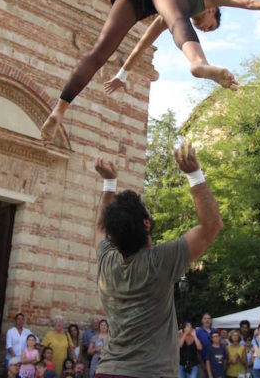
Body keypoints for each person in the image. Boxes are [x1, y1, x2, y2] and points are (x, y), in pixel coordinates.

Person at [39, 0, 260, 140]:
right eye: (210, 27)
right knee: (179, 22)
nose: (206, 29)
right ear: (212, 11)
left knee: (99, 52)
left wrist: (122, 74)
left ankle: (59, 110)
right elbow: (248, 2)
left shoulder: (167, 11)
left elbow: (141, 44)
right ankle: (199, 64)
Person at [92, 140, 223, 378]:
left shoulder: (107, 261)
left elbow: (100, 228)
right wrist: (194, 174)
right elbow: (212, 226)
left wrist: (109, 184)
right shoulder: (159, 262)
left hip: (107, 371)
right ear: (146, 223)